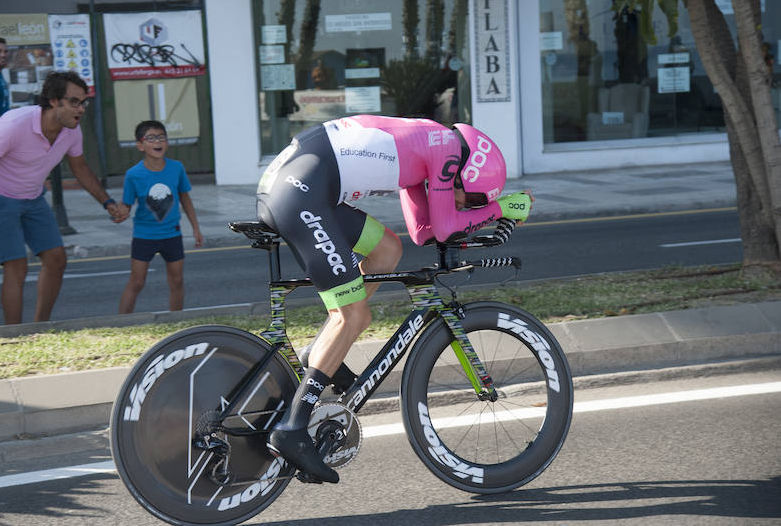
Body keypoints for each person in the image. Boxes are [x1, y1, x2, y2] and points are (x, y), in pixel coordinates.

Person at [257, 115, 533, 483]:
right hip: (299, 191)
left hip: (305, 184)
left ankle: (319, 354)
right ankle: (293, 428)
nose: (464, 205)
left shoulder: (435, 145)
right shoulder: (447, 152)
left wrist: (477, 212)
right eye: (471, 200)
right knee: (354, 316)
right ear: (469, 175)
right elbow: (448, 226)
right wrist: (502, 209)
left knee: (386, 250)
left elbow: (423, 231)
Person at [0, 71, 129, 325]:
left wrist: (108, 203)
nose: (81, 109)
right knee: (16, 267)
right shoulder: (14, 124)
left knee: (56, 259)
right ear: (53, 100)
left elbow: (80, 168)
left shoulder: (71, 130)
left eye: (83, 102)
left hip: (32, 197)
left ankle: (39, 327)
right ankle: (13, 337)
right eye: (74, 102)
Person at [118, 120, 204, 314]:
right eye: (151, 138)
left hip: (172, 234)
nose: (158, 142)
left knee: (177, 280)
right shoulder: (133, 174)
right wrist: (119, 213)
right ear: (140, 145)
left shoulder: (176, 168)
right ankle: (121, 324)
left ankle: (175, 320)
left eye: (161, 137)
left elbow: (185, 198)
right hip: (144, 236)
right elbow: (126, 205)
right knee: (137, 282)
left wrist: (196, 229)